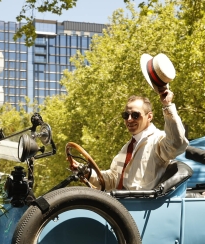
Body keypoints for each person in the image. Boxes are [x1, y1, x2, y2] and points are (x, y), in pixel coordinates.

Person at [76, 53, 188, 191]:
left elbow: (177, 143)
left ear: (149, 117)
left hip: (140, 202)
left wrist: (167, 106)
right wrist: (88, 173)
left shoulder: (157, 141)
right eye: (126, 115)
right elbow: (113, 179)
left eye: (135, 115)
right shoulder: (127, 147)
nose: (129, 119)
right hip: (121, 201)